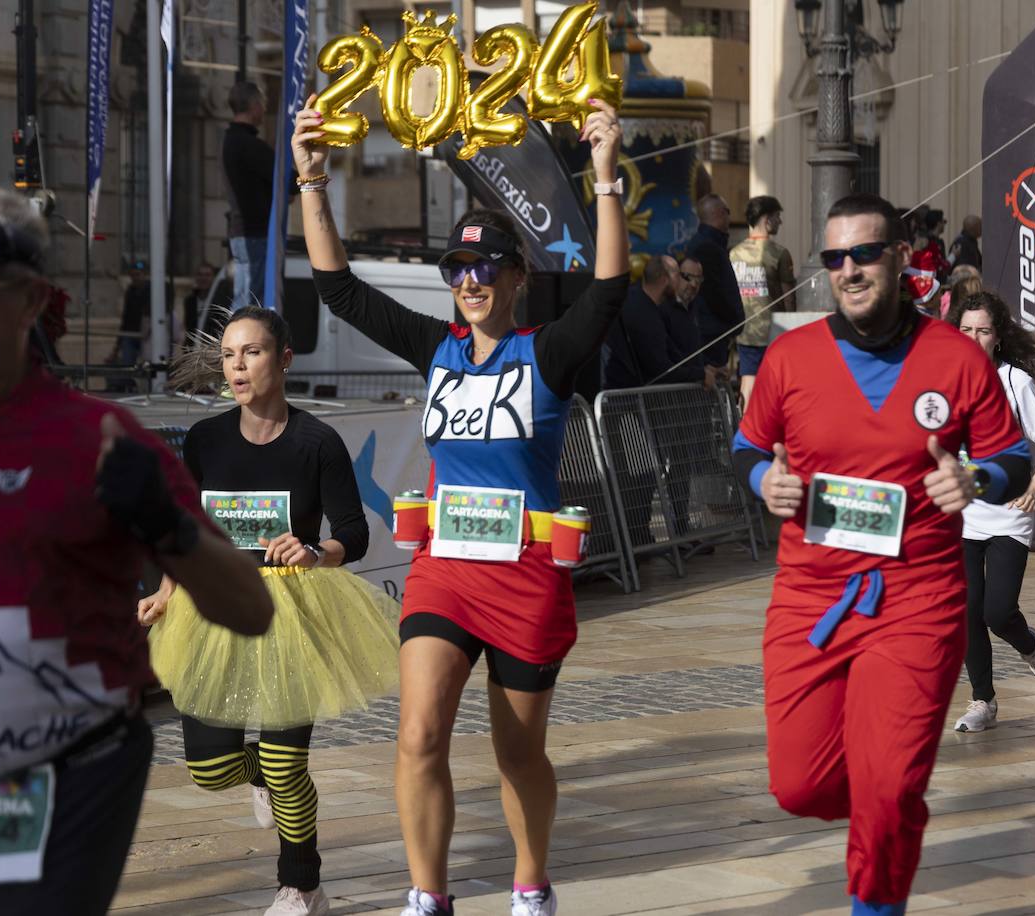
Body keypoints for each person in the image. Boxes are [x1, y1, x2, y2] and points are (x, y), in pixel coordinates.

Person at [0, 179, 272, 916]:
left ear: (29, 301)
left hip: (74, 769)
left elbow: (250, 608)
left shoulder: (95, 438)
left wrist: (167, 526)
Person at [294, 95, 629, 916]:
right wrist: (311, 181)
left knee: (519, 756)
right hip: (444, 571)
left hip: (525, 575)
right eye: (457, 270)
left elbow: (610, 292)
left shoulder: (544, 354)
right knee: (418, 735)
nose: (470, 281)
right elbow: (338, 289)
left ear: (517, 277)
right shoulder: (434, 350)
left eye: (486, 268)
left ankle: (530, 885)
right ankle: (427, 897)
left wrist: (607, 178)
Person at [731, 193, 1030, 916]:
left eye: (865, 253)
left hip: (918, 600)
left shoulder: (954, 357)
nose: (850, 269)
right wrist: (761, 478)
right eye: (835, 258)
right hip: (812, 597)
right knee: (800, 786)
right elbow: (746, 444)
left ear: (900, 258)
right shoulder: (790, 356)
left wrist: (975, 477)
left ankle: (877, 895)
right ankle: (877, 810)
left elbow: (1012, 455)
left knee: (890, 786)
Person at [138, 306, 400, 916]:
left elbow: (354, 535)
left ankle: (301, 883)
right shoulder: (205, 440)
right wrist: (163, 590)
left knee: (287, 764)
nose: (237, 366)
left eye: (251, 352)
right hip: (212, 610)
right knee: (212, 770)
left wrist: (314, 551)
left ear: (283, 359)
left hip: (293, 609)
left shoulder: (318, 441)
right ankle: (257, 778)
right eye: (229, 354)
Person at [948, 291, 1035, 733]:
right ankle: (983, 701)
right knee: (965, 610)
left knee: (997, 612)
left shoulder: (1016, 382)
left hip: (1008, 515)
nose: (973, 338)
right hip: (960, 516)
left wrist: (1034, 490)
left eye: (983, 330)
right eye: (966, 329)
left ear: (997, 338)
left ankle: (1030, 646)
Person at [731, 195, 797, 408]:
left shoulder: (734, 253)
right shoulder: (779, 254)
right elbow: (789, 297)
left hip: (745, 331)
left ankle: (746, 430)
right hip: (774, 333)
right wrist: (792, 327)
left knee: (747, 383)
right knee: (777, 384)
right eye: (778, 216)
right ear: (767, 219)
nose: (780, 222)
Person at [603, 254, 707, 389]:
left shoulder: (641, 302)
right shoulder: (644, 315)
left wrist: (704, 369)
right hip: (623, 396)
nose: (680, 282)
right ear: (665, 280)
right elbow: (663, 371)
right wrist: (700, 374)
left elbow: (673, 352)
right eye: (678, 276)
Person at [224, 82, 275, 309]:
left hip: (240, 232)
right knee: (253, 304)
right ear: (254, 106)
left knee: (243, 299)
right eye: (263, 105)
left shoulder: (229, 142)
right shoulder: (251, 145)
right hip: (256, 232)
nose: (264, 110)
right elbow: (287, 180)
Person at [687, 194, 745, 375]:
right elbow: (714, 293)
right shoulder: (707, 247)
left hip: (714, 330)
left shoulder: (711, 244)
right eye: (728, 212)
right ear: (720, 214)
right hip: (712, 333)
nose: (730, 217)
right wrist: (734, 320)